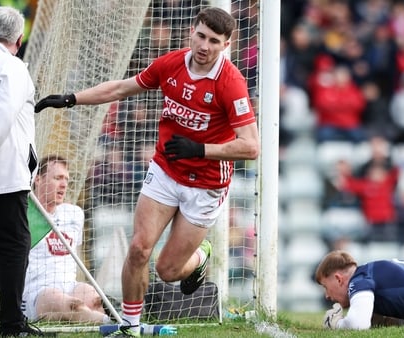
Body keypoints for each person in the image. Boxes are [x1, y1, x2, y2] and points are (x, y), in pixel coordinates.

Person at [35, 7, 259, 337]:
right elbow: (119, 89)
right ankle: (131, 326)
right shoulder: (170, 64)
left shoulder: (231, 83)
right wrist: (71, 99)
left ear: (225, 46)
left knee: (167, 270)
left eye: (214, 41)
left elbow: (251, 147)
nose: (204, 46)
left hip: (207, 184)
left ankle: (200, 256)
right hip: (166, 171)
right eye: (200, 36)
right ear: (191, 32)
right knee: (139, 249)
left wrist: (200, 150)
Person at [0, 6, 53, 337]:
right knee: (15, 245)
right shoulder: (13, 69)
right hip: (6, 177)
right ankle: (11, 323)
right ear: (19, 39)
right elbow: (2, 117)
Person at [23, 155, 111, 324]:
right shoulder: (26, 215)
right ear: (38, 180)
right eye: (57, 178)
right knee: (74, 306)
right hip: (38, 291)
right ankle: (114, 324)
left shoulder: (74, 214)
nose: (64, 184)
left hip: (70, 284)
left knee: (96, 301)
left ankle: (111, 319)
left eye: (66, 179)